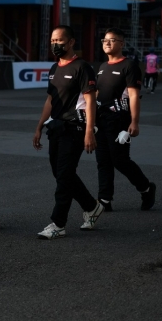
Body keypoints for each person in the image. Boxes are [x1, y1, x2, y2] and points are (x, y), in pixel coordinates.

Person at [32, 25, 104, 240]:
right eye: (53, 41)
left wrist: (89, 132)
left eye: (60, 41)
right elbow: (50, 100)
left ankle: (58, 223)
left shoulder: (82, 67)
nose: (55, 44)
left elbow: (90, 101)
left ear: (71, 42)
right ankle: (91, 206)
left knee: (64, 175)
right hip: (56, 127)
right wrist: (39, 126)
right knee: (61, 173)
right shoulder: (54, 68)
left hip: (76, 128)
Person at [95, 28, 156, 212]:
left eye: (112, 40)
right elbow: (97, 94)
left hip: (119, 120)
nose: (107, 43)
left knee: (120, 160)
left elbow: (134, 96)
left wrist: (134, 122)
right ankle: (105, 200)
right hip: (101, 120)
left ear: (121, 43)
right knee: (103, 161)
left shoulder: (129, 66)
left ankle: (146, 188)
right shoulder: (102, 67)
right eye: (104, 40)